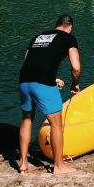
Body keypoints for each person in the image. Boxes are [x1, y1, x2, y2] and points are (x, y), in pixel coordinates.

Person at [18, 15, 81, 176]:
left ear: (56, 25)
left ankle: (23, 164)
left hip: (24, 81)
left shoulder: (37, 37)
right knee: (56, 125)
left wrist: (52, 78)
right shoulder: (68, 38)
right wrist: (74, 84)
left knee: (27, 119)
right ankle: (59, 166)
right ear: (70, 27)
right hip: (43, 84)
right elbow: (76, 67)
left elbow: (28, 62)